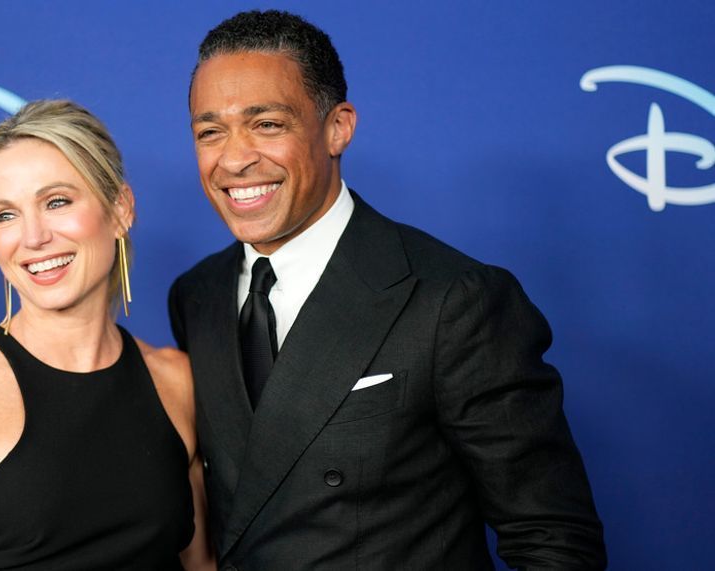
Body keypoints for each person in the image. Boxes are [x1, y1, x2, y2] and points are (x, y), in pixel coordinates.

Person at [168, 10, 606, 570]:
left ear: (338, 127)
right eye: (210, 132)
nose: (233, 158)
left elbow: (554, 541)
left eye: (268, 124)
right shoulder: (197, 295)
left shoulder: (454, 299)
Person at [0, 100, 212, 570]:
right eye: (4, 215)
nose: (32, 238)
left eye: (56, 202)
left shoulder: (178, 382)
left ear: (120, 209)